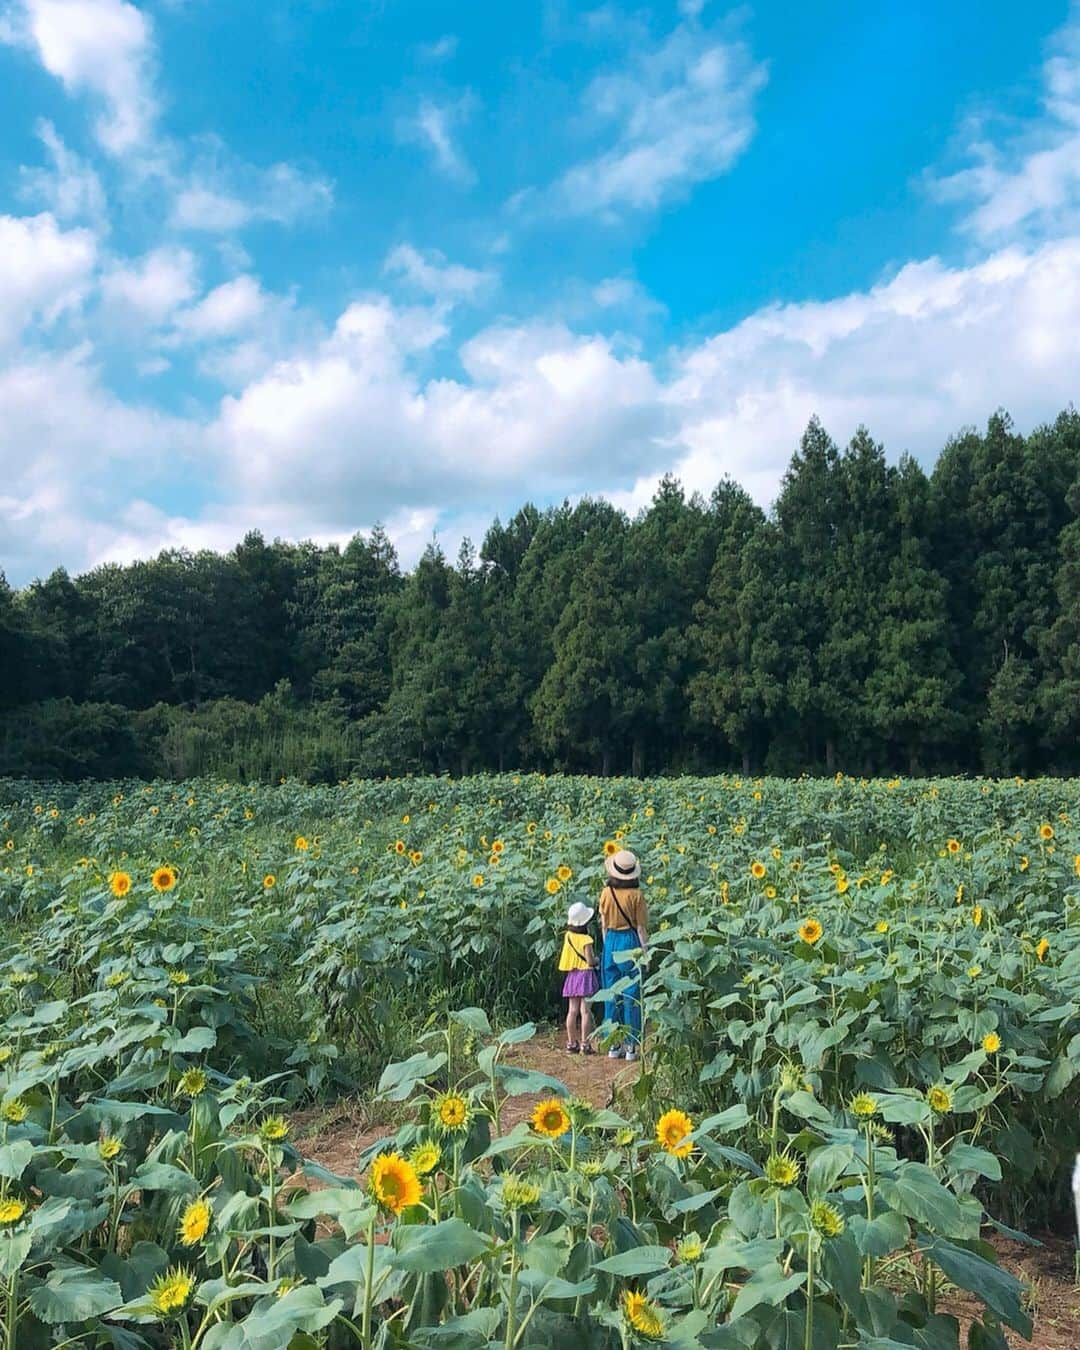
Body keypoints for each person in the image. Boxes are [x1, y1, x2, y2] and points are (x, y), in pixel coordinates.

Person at [598, 849, 648, 1061]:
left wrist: (607, 945)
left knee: (611, 993)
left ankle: (612, 1044)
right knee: (631, 995)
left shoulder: (606, 893)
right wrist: (645, 954)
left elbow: (602, 924)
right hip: (630, 942)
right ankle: (631, 1046)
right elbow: (641, 929)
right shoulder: (637, 896)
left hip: (611, 941)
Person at [558, 901, 600, 1054]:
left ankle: (571, 1043)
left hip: (572, 975)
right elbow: (590, 960)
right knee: (586, 1012)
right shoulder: (586, 940)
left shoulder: (568, 936)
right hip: (585, 975)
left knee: (572, 1011)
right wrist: (597, 961)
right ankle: (585, 1044)